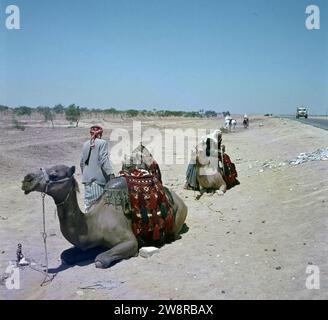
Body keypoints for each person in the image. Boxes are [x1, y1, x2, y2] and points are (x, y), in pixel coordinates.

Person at [80, 125, 115, 212]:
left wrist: (86, 174)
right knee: (99, 209)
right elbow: (103, 159)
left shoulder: (85, 144)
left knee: (88, 207)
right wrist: (111, 173)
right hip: (98, 181)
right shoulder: (102, 143)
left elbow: (81, 163)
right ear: (101, 133)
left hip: (87, 181)